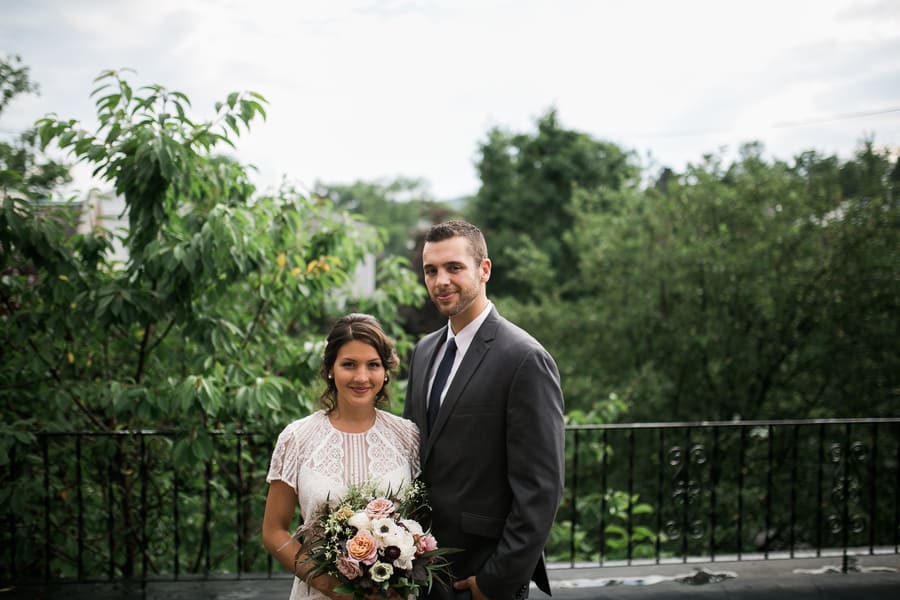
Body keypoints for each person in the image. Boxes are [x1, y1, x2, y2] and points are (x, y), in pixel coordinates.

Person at [403, 220, 565, 600]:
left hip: (481, 575)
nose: (441, 280)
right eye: (431, 270)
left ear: (484, 269)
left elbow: (541, 487)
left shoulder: (525, 358)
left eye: (454, 267)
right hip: (419, 572)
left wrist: (499, 579)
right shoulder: (425, 351)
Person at [263, 313, 420, 600]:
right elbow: (274, 531)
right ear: (330, 370)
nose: (361, 377)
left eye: (373, 365)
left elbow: (422, 525)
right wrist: (330, 587)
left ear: (386, 371)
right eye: (349, 364)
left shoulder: (408, 436)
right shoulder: (297, 438)